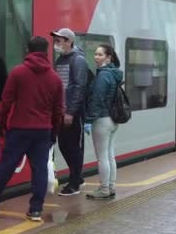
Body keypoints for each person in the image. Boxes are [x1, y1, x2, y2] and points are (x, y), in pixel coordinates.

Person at [0, 36, 64, 222]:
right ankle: (36, 210)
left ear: (27, 51)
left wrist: (1, 124)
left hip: (20, 128)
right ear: (46, 52)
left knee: (6, 166)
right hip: (43, 130)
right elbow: (58, 110)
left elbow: (6, 102)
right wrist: (54, 132)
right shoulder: (55, 79)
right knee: (39, 170)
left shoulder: (18, 73)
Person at [50, 28, 90, 196]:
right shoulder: (60, 60)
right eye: (56, 40)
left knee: (73, 147)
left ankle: (74, 184)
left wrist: (71, 112)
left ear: (68, 41)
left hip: (73, 113)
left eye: (59, 41)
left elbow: (79, 88)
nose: (56, 44)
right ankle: (77, 177)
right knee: (64, 145)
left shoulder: (78, 60)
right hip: (62, 111)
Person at [83, 44, 123, 200]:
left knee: (102, 157)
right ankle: (111, 186)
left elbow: (97, 100)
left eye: (100, 54)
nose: (96, 57)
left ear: (108, 57)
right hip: (112, 120)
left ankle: (104, 188)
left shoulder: (103, 76)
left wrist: (88, 120)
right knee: (110, 155)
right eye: (95, 54)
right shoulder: (113, 74)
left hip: (101, 120)